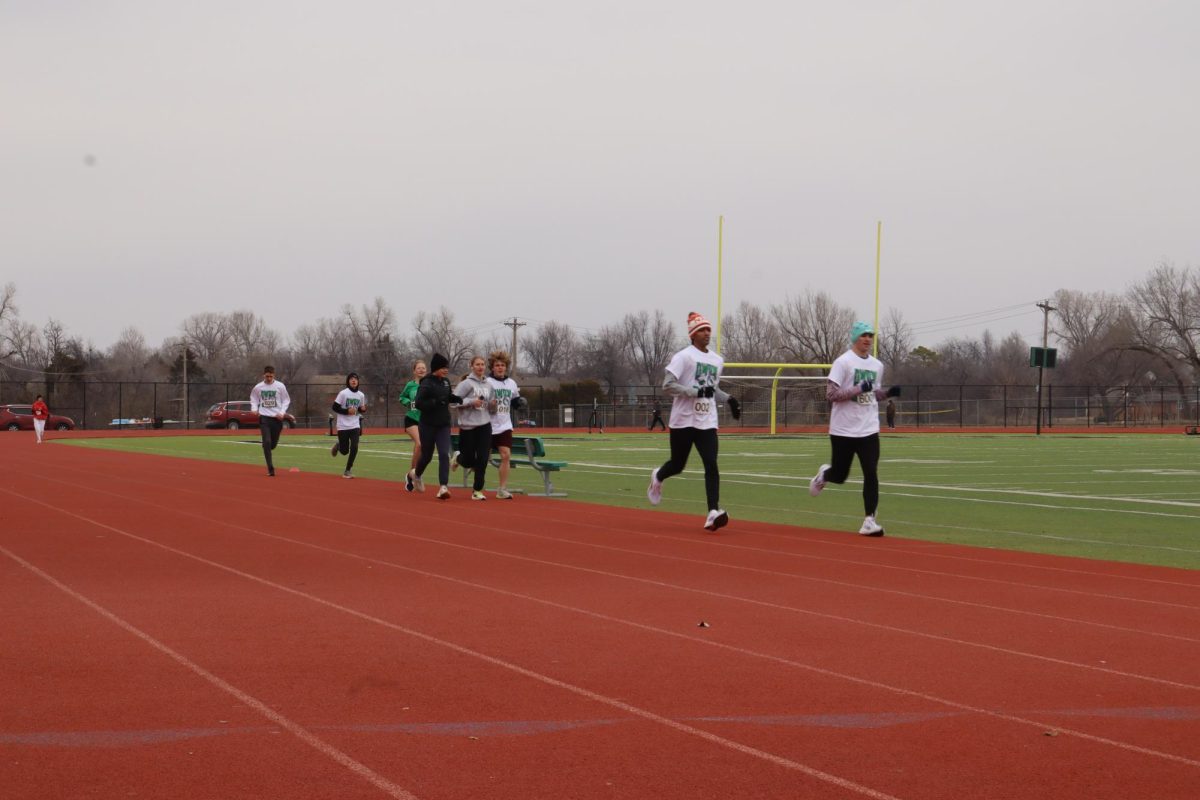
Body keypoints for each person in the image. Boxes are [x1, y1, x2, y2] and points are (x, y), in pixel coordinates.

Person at [647, 312, 741, 532]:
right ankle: (658, 476)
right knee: (678, 464)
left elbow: (712, 388)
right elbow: (667, 385)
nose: (707, 333)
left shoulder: (717, 360)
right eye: (702, 330)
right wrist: (693, 392)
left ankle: (712, 512)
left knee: (711, 463)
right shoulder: (684, 357)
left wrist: (729, 399)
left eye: (708, 329)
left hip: (707, 420)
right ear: (693, 334)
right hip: (683, 420)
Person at [808, 321, 902, 536]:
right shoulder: (843, 362)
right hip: (843, 429)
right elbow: (832, 395)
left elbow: (872, 395)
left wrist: (888, 393)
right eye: (864, 335)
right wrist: (858, 387)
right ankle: (824, 475)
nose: (868, 339)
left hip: (868, 428)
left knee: (871, 472)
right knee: (840, 475)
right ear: (855, 338)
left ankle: (869, 520)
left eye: (870, 335)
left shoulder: (877, 365)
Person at [408, 353, 463, 499]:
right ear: (436, 368)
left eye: (447, 367)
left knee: (444, 454)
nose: (446, 370)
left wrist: (455, 398)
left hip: (443, 424)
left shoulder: (445, 382)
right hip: (427, 425)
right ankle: (417, 474)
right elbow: (419, 403)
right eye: (443, 367)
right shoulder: (426, 383)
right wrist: (434, 402)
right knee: (426, 456)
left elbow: (447, 396)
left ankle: (443, 487)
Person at [451, 355, 494, 501]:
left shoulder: (489, 384)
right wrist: (470, 402)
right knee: (469, 460)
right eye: (477, 364)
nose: (481, 367)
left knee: (482, 459)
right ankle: (458, 457)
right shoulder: (466, 384)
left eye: (483, 364)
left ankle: (477, 490)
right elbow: (453, 402)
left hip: (485, 425)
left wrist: (493, 405)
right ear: (472, 366)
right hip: (468, 426)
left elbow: (490, 406)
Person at [486, 350, 525, 499]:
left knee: (506, 455)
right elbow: (480, 402)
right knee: (481, 460)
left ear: (506, 367)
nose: (500, 367)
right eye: (497, 365)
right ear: (492, 367)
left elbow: (515, 401)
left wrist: (519, 403)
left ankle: (502, 489)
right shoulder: (487, 382)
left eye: (503, 365)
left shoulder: (511, 383)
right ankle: (461, 458)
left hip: (504, 425)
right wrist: (489, 405)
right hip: (487, 425)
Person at [250, 366, 292, 477]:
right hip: (264, 418)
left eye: (271, 376)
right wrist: (254, 409)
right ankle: (270, 468)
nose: (269, 378)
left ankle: (266, 446)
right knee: (267, 442)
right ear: (263, 375)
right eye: (267, 376)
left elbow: (286, 400)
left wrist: (282, 412)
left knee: (272, 445)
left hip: (277, 419)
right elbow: (253, 398)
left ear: (274, 375)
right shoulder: (258, 387)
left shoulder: (280, 386)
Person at [330, 372, 367, 478]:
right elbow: (335, 407)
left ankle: (348, 470)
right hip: (343, 425)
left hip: (355, 425)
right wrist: (347, 411)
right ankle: (338, 445)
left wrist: (363, 409)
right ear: (348, 381)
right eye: (351, 379)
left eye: (355, 379)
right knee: (344, 451)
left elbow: (359, 409)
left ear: (358, 381)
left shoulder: (361, 395)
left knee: (355, 446)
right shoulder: (343, 393)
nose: (354, 380)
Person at [398, 360, 427, 479]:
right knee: (419, 444)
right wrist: (408, 402)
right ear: (414, 371)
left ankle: (413, 475)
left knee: (424, 449)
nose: (421, 370)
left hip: (425, 421)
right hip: (411, 419)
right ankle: (413, 473)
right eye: (419, 368)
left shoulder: (429, 384)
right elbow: (401, 397)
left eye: (423, 368)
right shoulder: (410, 385)